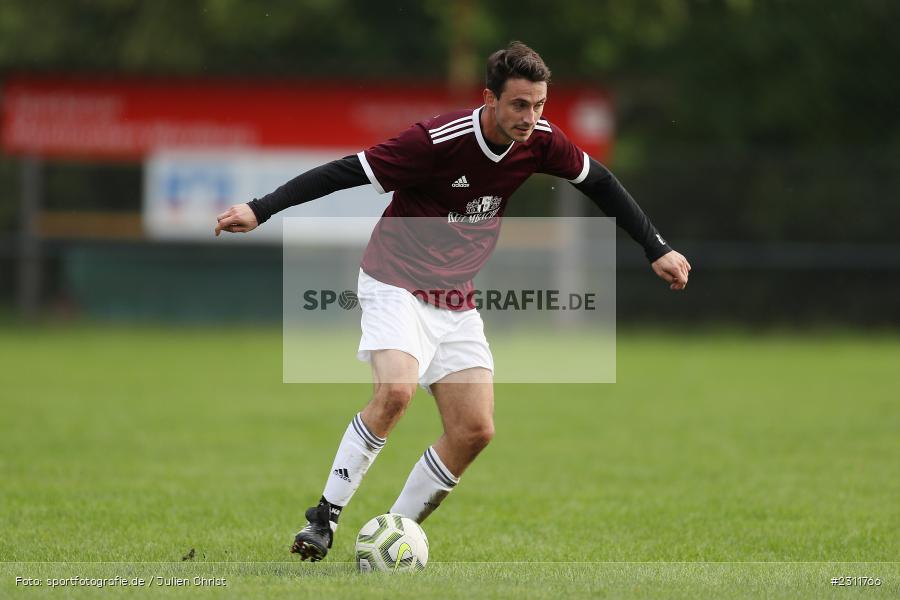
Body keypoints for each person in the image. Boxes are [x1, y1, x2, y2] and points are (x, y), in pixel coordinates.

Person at [214, 41, 691, 562]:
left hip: (456, 299)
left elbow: (599, 181)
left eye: (539, 105)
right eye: (518, 105)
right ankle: (324, 519)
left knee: (474, 430)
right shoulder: (435, 141)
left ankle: (393, 532)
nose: (531, 117)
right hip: (394, 281)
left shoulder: (541, 140)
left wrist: (656, 247)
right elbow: (346, 170)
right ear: (489, 98)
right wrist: (261, 209)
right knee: (396, 391)